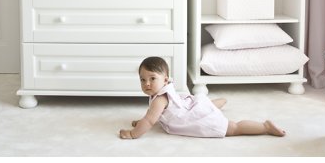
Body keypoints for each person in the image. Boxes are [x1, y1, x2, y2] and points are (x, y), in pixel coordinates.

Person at [119, 56, 286, 139]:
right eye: (142, 80)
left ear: (165, 79)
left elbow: (150, 121)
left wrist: (133, 133)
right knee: (203, 104)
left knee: (233, 128)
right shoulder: (163, 90)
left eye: (152, 78)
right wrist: (142, 120)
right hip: (189, 106)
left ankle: (264, 127)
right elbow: (151, 116)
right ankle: (216, 104)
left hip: (190, 116)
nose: (147, 83)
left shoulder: (160, 99)